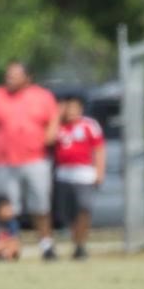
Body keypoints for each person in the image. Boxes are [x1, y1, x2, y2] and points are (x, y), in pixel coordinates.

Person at [0, 62, 59, 260]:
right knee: (6, 208)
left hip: (35, 159)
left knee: (40, 204)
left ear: (27, 78)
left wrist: (46, 139)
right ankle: (9, 246)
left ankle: (46, 244)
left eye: (15, 75)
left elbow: (53, 121)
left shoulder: (42, 96)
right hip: (4, 161)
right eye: (8, 75)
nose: (10, 78)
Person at [55, 94, 106, 260]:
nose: (71, 111)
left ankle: (81, 243)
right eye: (68, 108)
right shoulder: (58, 126)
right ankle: (76, 241)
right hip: (63, 174)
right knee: (67, 213)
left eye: (74, 108)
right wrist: (57, 116)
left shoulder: (89, 125)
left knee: (84, 208)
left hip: (84, 174)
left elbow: (99, 149)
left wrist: (99, 171)